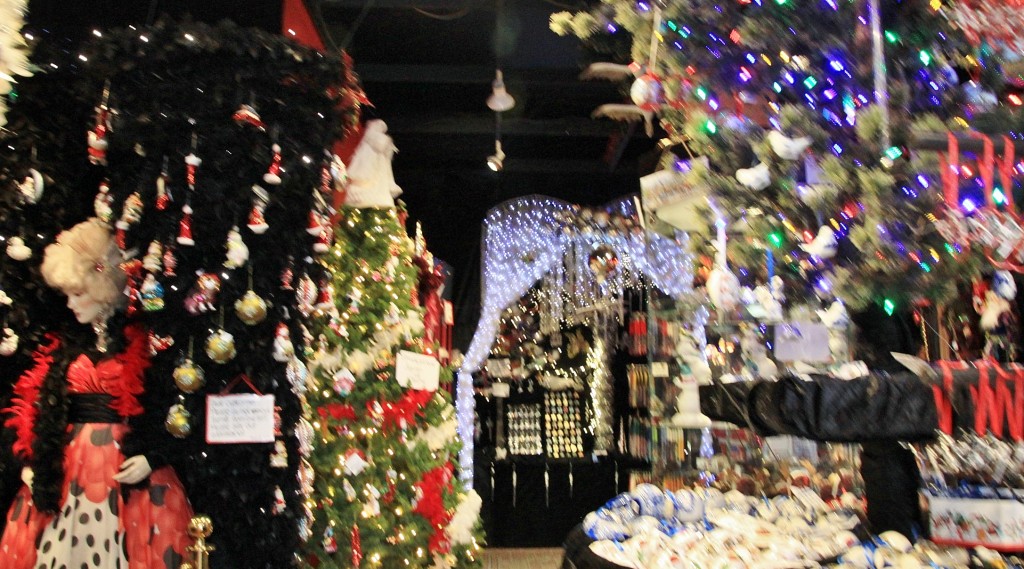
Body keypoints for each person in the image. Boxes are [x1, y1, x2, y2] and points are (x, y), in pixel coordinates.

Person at [0, 218, 192, 568]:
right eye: (68, 294)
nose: (72, 304)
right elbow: (36, 404)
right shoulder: (66, 345)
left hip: (126, 469)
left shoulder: (143, 341)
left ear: (104, 286)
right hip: (69, 466)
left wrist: (153, 456)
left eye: (79, 293)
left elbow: (169, 408)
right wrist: (33, 460)